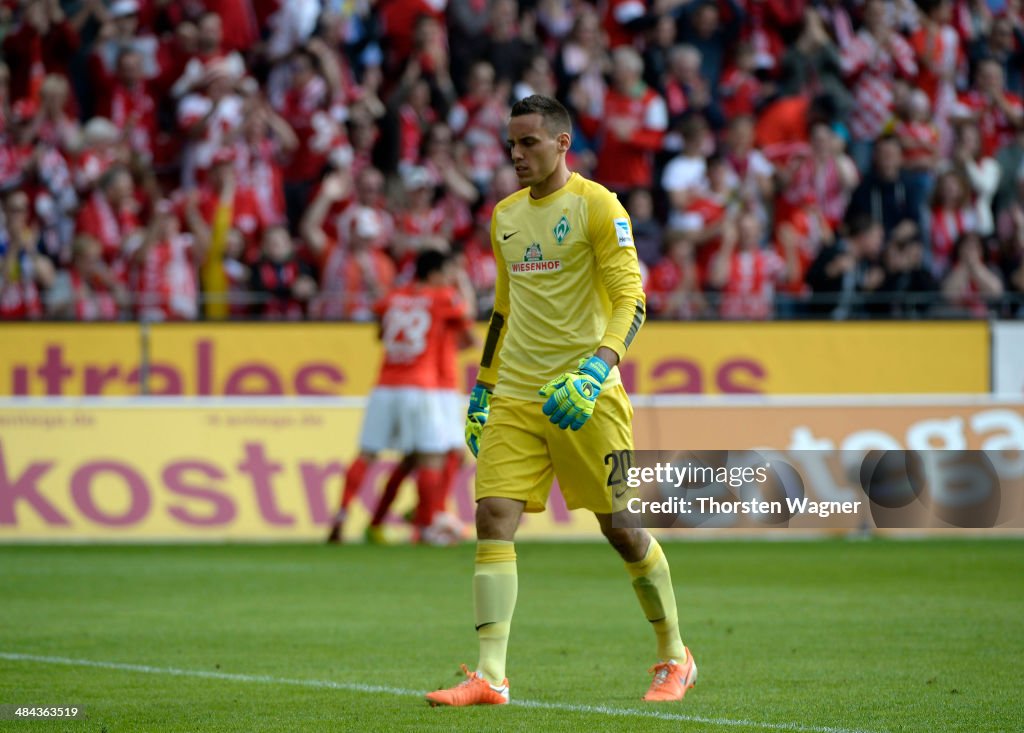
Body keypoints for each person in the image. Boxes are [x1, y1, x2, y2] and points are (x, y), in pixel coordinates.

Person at [425, 95, 695, 707]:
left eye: (529, 144)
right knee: (493, 516)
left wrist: (597, 370)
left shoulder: (600, 206)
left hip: (584, 393)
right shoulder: (505, 216)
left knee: (622, 530)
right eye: (511, 145)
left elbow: (633, 299)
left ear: (561, 143)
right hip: (518, 390)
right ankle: (491, 676)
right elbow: (503, 308)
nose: (516, 155)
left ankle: (675, 656)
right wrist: (483, 387)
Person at [326, 249, 471, 543]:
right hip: (421, 385)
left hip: (384, 384)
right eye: (444, 273)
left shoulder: (392, 297)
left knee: (367, 453)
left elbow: (381, 334)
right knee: (432, 456)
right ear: (433, 274)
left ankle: (342, 515)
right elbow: (466, 320)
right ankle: (428, 525)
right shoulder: (441, 296)